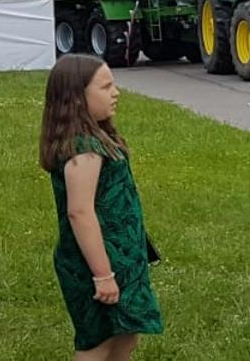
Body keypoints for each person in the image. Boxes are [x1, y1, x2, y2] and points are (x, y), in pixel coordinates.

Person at [40, 54, 163, 361]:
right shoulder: (84, 151)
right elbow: (79, 212)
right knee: (98, 343)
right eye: (106, 87)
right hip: (97, 261)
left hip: (121, 256)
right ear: (77, 99)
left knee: (126, 334)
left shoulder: (99, 138)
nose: (116, 92)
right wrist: (102, 274)